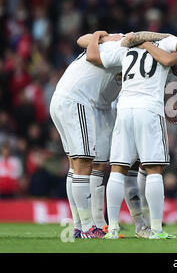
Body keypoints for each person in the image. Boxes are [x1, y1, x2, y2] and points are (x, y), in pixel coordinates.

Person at [86, 28, 177, 239]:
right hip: (149, 109)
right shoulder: (169, 42)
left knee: (117, 169)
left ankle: (113, 228)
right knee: (154, 169)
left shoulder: (127, 47)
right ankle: (156, 230)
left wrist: (105, 37)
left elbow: (94, 56)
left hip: (124, 108)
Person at [50, 32, 125, 238]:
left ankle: (82, 225)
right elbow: (90, 51)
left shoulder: (105, 45)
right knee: (83, 163)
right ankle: (87, 226)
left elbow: (82, 40)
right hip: (78, 101)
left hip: (63, 99)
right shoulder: (120, 50)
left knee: (75, 165)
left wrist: (98, 36)